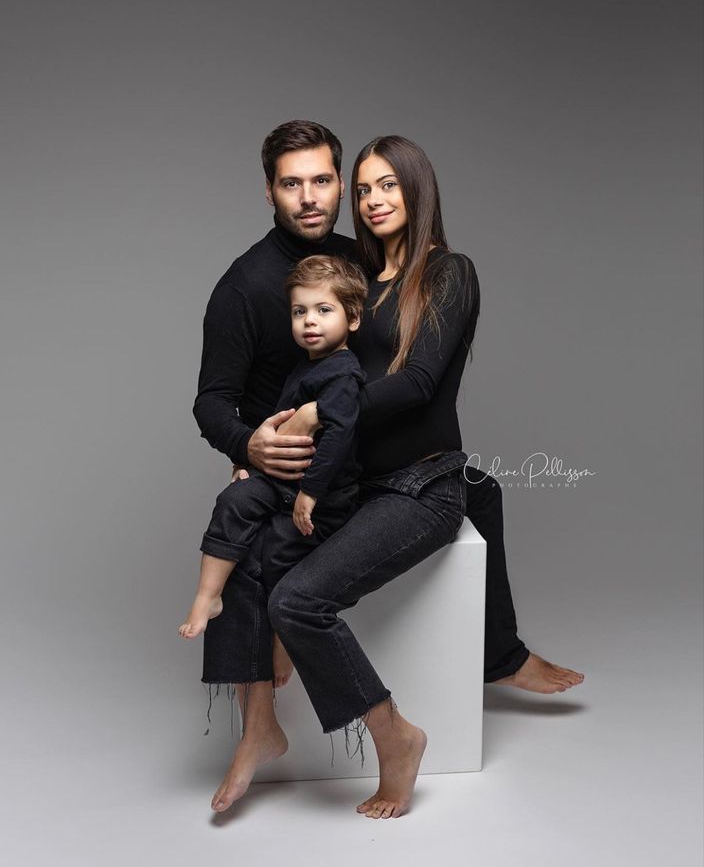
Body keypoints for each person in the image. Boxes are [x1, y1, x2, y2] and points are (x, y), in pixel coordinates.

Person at [192, 122, 584, 816]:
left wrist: (315, 418)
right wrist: (249, 449)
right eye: (366, 188)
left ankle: (407, 724)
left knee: (305, 592)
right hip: (358, 480)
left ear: (414, 188)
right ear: (270, 191)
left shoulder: (444, 271)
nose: (369, 199)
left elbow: (418, 382)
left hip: (414, 481)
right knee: (262, 538)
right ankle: (263, 723)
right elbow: (243, 390)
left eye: (382, 185)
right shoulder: (349, 278)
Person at [178, 255, 367, 692]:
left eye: (324, 310)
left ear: (353, 318)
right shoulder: (307, 364)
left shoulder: (343, 373)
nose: (309, 322)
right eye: (300, 312)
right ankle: (208, 597)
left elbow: (340, 436)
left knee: (277, 553)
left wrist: (310, 494)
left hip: (322, 494)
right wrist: (246, 462)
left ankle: (283, 640)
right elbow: (273, 418)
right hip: (282, 481)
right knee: (232, 501)